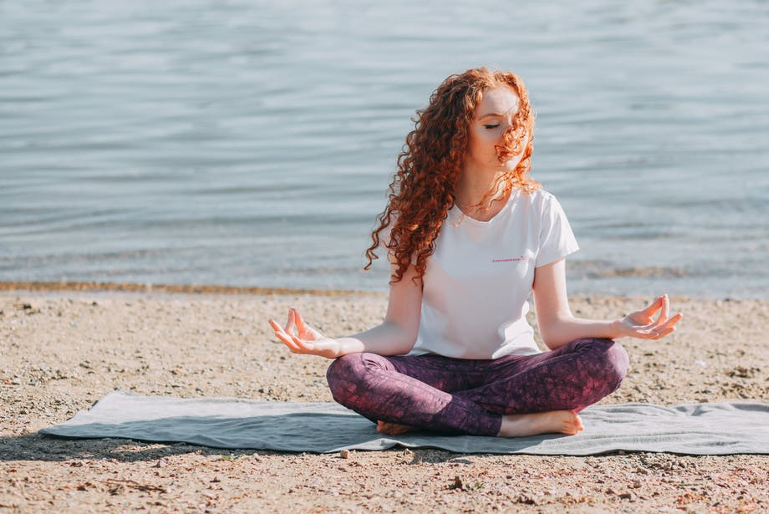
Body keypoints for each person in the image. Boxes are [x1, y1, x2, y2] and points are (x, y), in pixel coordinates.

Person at [269, 67, 682, 438]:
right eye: (492, 125)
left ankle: (427, 416)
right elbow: (398, 331)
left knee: (608, 359)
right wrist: (336, 344)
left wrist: (618, 325)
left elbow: (555, 328)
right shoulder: (415, 215)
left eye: (517, 122)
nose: (512, 134)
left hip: (512, 370)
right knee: (350, 373)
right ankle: (504, 424)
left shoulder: (540, 208)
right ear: (456, 138)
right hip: (433, 369)